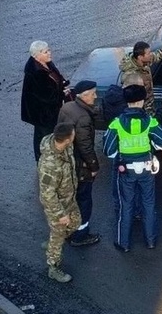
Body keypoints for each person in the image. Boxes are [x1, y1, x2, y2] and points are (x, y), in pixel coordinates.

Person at [103, 84, 162, 252]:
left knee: (126, 205)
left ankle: (123, 243)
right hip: (146, 169)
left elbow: (108, 151)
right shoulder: (150, 121)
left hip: (125, 170)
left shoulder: (116, 124)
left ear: (127, 102)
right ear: (141, 101)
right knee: (148, 204)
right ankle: (151, 241)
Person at [56, 80, 101, 247]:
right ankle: (80, 234)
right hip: (81, 167)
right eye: (93, 93)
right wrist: (94, 166)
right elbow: (85, 146)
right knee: (84, 200)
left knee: (70, 198)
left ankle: (69, 230)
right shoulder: (83, 117)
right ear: (84, 95)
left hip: (68, 161)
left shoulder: (68, 107)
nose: (96, 97)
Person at [38, 122, 80, 283]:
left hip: (69, 199)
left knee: (75, 223)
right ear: (68, 139)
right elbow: (47, 194)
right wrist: (60, 215)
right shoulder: (50, 165)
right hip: (57, 206)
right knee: (58, 234)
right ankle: (53, 267)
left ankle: (53, 241)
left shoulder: (64, 146)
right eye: (73, 134)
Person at [102, 72, 145, 217]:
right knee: (135, 184)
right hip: (130, 150)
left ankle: (120, 209)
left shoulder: (110, 97)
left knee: (118, 184)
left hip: (117, 148)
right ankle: (136, 211)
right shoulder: (128, 105)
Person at [21, 40, 71, 161]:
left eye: (49, 50)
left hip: (47, 111)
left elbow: (57, 77)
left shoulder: (46, 64)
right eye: (45, 51)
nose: (50, 53)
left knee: (43, 135)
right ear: (37, 56)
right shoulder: (37, 73)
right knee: (44, 136)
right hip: (42, 113)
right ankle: (45, 161)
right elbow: (46, 96)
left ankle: (46, 159)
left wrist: (63, 83)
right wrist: (62, 93)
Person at [119, 39, 162, 116]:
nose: (151, 55)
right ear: (140, 57)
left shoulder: (143, 62)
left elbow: (155, 56)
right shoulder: (131, 76)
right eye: (148, 53)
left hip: (149, 105)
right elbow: (132, 98)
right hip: (141, 110)